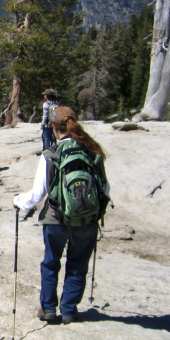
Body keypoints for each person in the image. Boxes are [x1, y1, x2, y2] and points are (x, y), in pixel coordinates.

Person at [13, 106, 109, 324]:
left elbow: (37, 195)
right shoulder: (93, 153)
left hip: (56, 219)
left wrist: (18, 201)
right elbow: (105, 189)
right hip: (87, 221)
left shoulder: (52, 154)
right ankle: (69, 310)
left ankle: (48, 309)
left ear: (54, 128)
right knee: (78, 265)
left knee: (50, 263)